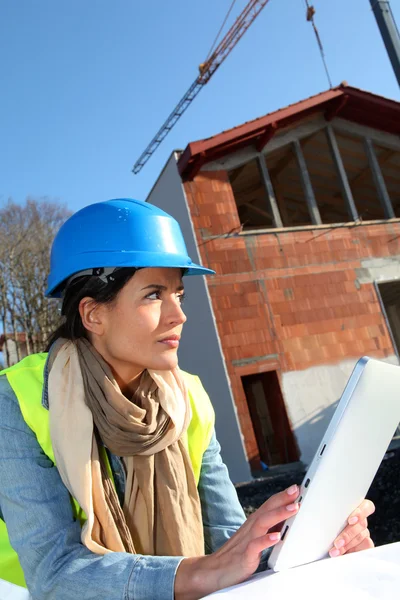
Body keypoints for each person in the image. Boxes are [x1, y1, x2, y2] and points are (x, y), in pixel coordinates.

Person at [0, 198, 375, 600]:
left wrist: (313, 543)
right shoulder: (18, 398)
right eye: (153, 295)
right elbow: (54, 573)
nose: (178, 314)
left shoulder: (188, 397)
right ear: (93, 314)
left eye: (179, 294)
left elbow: (229, 543)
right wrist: (203, 572)